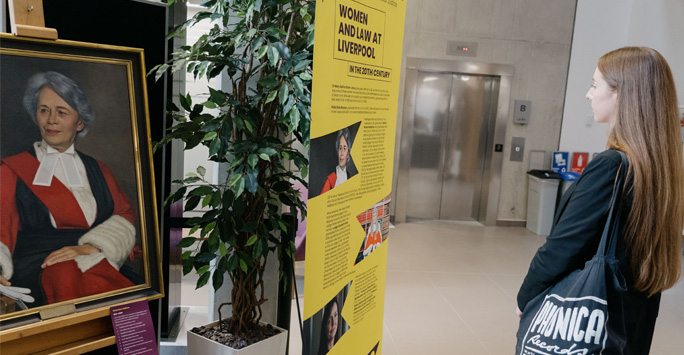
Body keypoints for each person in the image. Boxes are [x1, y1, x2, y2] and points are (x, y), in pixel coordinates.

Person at [516, 47, 684, 353]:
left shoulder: (612, 166)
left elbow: (560, 249)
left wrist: (525, 298)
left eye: (595, 85)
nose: (588, 95)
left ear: (621, 93)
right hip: (630, 319)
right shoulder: (661, 171)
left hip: (592, 319)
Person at [0, 71, 137, 308]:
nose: (51, 120)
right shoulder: (11, 169)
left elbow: (123, 215)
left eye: (61, 112)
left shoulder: (99, 170)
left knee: (115, 286)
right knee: (67, 275)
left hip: (92, 256)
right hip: (37, 265)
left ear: (80, 121)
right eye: (44, 110)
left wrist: (90, 246)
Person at [320, 128, 355, 194]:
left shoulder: (351, 178)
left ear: (348, 154)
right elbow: (322, 202)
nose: (341, 153)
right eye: (340, 148)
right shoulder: (330, 179)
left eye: (344, 148)